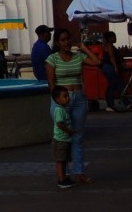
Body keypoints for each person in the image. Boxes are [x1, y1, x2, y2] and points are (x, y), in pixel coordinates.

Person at [46, 27, 102, 184]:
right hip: (61, 100)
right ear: (57, 42)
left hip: (78, 99)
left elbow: (97, 62)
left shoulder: (78, 57)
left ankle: (80, 172)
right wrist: (59, 103)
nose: (66, 42)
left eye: (68, 39)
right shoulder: (52, 59)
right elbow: (51, 83)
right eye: (62, 40)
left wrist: (84, 48)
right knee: (62, 138)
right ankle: (63, 175)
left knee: (77, 136)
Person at [51, 86, 76, 189]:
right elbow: (60, 124)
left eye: (67, 96)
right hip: (60, 140)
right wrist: (69, 131)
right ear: (57, 99)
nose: (67, 98)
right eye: (64, 96)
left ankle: (64, 178)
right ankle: (61, 180)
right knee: (60, 161)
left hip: (65, 140)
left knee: (64, 160)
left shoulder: (63, 109)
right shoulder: (58, 110)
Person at [100, 31, 126, 112]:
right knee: (116, 84)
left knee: (116, 84)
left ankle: (125, 102)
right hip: (109, 67)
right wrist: (115, 67)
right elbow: (111, 56)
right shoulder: (110, 46)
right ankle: (112, 105)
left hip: (107, 67)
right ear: (109, 38)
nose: (115, 38)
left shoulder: (107, 46)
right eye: (113, 37)